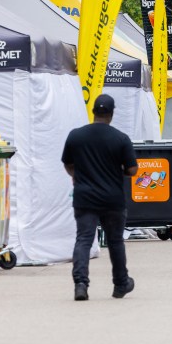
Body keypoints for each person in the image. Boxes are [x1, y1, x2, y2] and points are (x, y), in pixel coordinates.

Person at [61, 94, 138, 301]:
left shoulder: (76, 136)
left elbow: (68, 163)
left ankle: (80, 284)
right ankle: (121, 284)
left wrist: (76, 176)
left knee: (84, 239)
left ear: (93, 112)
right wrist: (117, 170)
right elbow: (132, 170)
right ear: (112, 114)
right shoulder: (120, 138)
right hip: (113, 198)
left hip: (85, 197)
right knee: (115, 241)